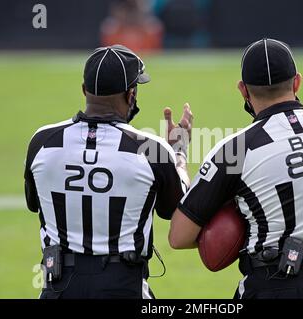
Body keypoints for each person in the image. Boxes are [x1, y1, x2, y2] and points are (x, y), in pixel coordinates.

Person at [168, 38, 303, 299]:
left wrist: (179, 152)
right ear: (297, 82)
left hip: (272, 282)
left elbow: (179, 236)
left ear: (243, 90)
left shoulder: (236, 149)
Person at [24, 44, 193, 299]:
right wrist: (178, 151)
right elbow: (178, 209)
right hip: (123, 286)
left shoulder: (42, 141)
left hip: (58, 285)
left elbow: (33, 204)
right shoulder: (151, 150)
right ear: (131, 94)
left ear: (84, 90)